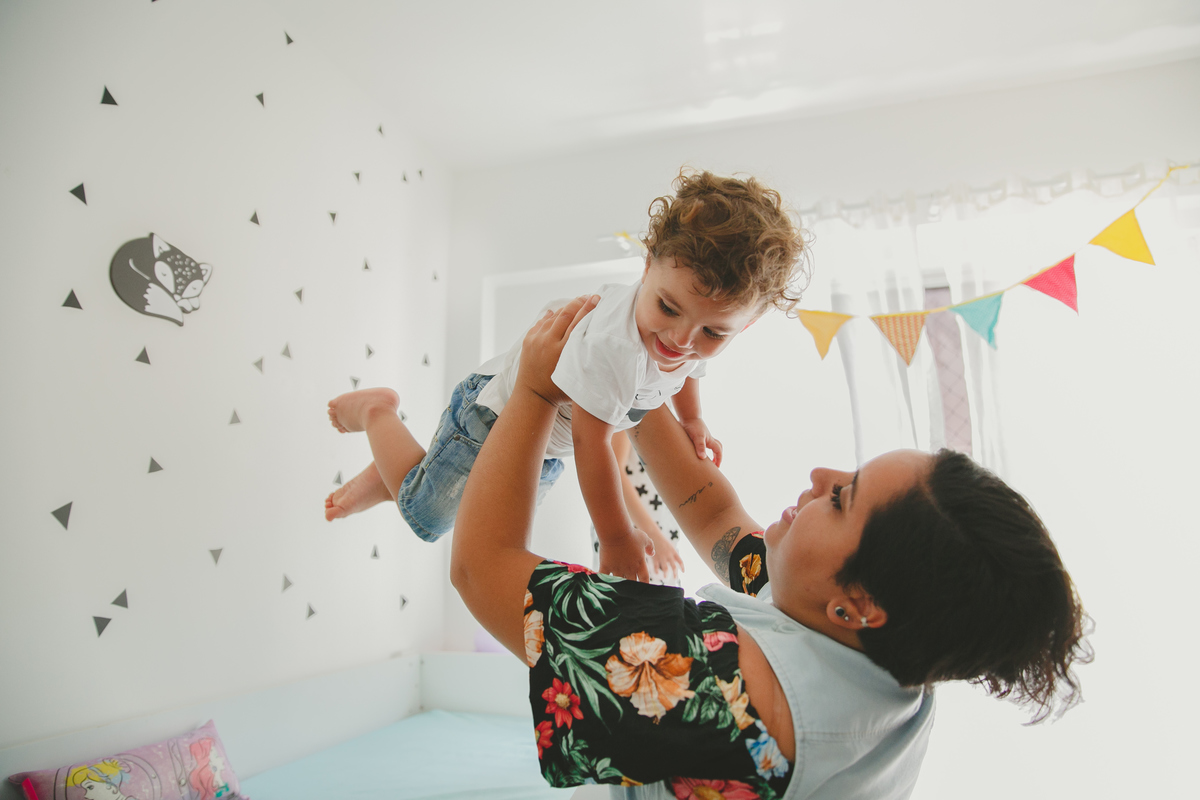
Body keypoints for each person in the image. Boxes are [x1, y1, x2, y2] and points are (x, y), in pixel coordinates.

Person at [444, 297, 1090, 799]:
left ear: (858, 602)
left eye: (843, 498)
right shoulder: (871, 642)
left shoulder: (718, 686)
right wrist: (634, 374)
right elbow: (710, 507)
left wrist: (532, 388)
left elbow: (483, 567)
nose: (819, 478)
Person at [324, 169, 808, 580]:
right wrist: (616, 538)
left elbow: (690, 371)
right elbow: (593, 446)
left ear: (746, 324)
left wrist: (694, 419)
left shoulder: (690, 334)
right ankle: (376, 413)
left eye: (713, 333)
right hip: (493, 416)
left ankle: (397, 474)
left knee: (464, 510)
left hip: (546, 443)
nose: (682, 340)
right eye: (667, 306)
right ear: (646, 266)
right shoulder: (613, 348)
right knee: (427, 518)